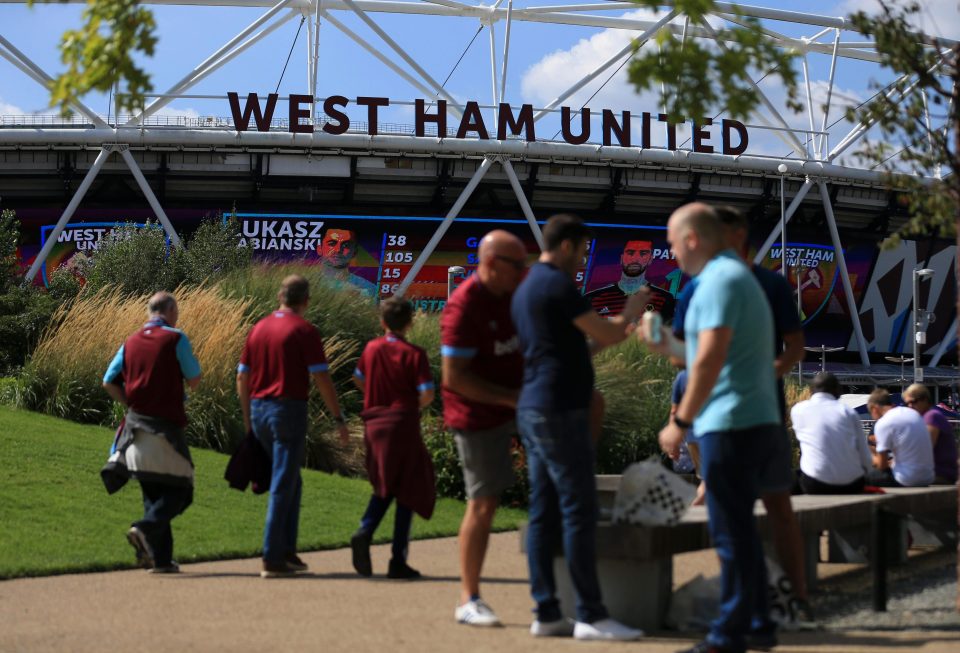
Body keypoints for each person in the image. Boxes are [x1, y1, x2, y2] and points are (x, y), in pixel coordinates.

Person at [644, 202, 781, 653]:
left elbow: (709, 358)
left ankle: (729, 633)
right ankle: (757, 622)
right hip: (750, 419)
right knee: (740, 527)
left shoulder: (718, 282)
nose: (669, 252)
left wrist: (679, 422)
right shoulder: (732, 279)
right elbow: (697, 353)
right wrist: (662, 341)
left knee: (730, 531)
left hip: (731, 421)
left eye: (670, 242)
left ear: (691, 239)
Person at [671, 206, 812, 620]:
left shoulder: (760, 283)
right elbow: (686, 357)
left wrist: (772, 370)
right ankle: (753, 613)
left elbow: (795, 345)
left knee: (771, 508)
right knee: (732, 515)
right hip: (723, 407)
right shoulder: (697, 287)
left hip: (753, 407)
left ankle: (789, 600)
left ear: (737, 237)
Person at [512, 213, 646, 641]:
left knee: (544, 510)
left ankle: (547, 611)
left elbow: (577, 346)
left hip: (534, 405)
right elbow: (604, 332)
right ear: (567, 246)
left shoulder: (528, 287)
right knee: (578, 507)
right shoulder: (557, 284)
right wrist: (630, 312)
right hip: (559, 408)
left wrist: (613, 332)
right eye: (584, 251)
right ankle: (590, 613)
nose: (584, 260)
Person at [237, 274, 350, 578]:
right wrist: (338, 418)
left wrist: (248, 418)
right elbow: (322, 377)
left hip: (259, 408)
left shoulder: (259, 328)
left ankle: (287, 550)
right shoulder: (305, 331)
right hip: (287, 409)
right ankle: (273, 557)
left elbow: (242, 376)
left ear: (279, 296)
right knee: (284, 481)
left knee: (292, 481)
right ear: (306, 301)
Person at [441, 229, 526, 627]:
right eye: (517, 265)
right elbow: (455, 378)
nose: (523, 272)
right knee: (483, 502)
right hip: (476, 414)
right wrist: (514, 400)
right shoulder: (464, 307)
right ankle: (468, 598)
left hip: (518, 403)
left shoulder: (513, 293)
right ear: (491, 264)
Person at [102, 292, 202, 574]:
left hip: (134, 431)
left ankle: (160, 560)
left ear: (149, 312)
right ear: (170, 311)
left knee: (154, 492)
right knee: (182, 490)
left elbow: (109, 381)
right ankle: (144, 528)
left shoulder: (130, 342)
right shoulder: (176, 338)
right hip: (165, 429)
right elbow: (194, 379)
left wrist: (131, 403)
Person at [350, 297, 436, 580]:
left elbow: (358, 378)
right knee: (408, 488)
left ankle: (366, 529)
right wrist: (413, 405)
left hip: (375, 422)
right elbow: (427, 393)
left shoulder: (372, 348)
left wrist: (375, 395)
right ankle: (397, 558)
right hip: (403, 422)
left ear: (382, 321)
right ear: (410, 323)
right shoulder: (414, 353)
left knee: (384, 483)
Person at [791, 372, 872, 494]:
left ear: (811, 390)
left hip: (815, 483)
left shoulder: (798, 410)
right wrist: (868, 473)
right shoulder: (848, 412)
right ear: (838, 390)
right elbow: (863, 452)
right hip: (852, 484)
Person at [585, 239, 675, 319]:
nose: (635, 259)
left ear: (650, 259)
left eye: (643, 253)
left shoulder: (664, 299)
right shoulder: (594, 298)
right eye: (630, 253)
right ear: (622, 258)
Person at [866, 388, 935, 487]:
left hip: (907, 479)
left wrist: (868, 458)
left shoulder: (883, 423)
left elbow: (882, 466)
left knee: (862, 477)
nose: (873, 418)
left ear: (874, 408)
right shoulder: (912, 413)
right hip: (928, 477)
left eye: (870, 413)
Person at [903, 383, 959, 485]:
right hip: (938, 472)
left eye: (913, 402)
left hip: (940, 473)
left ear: (924, 399)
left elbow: (925, 448)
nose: (910, 406)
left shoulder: (931, 416)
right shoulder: (926, 417)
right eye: (907, 404)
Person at [317, 227, 376, 296]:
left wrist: (360, 294)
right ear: (319, 249)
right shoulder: (307, 283)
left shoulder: (372, 290)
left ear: (354, 252)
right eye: (332, 244)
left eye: (346, 245)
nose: (338, 249)